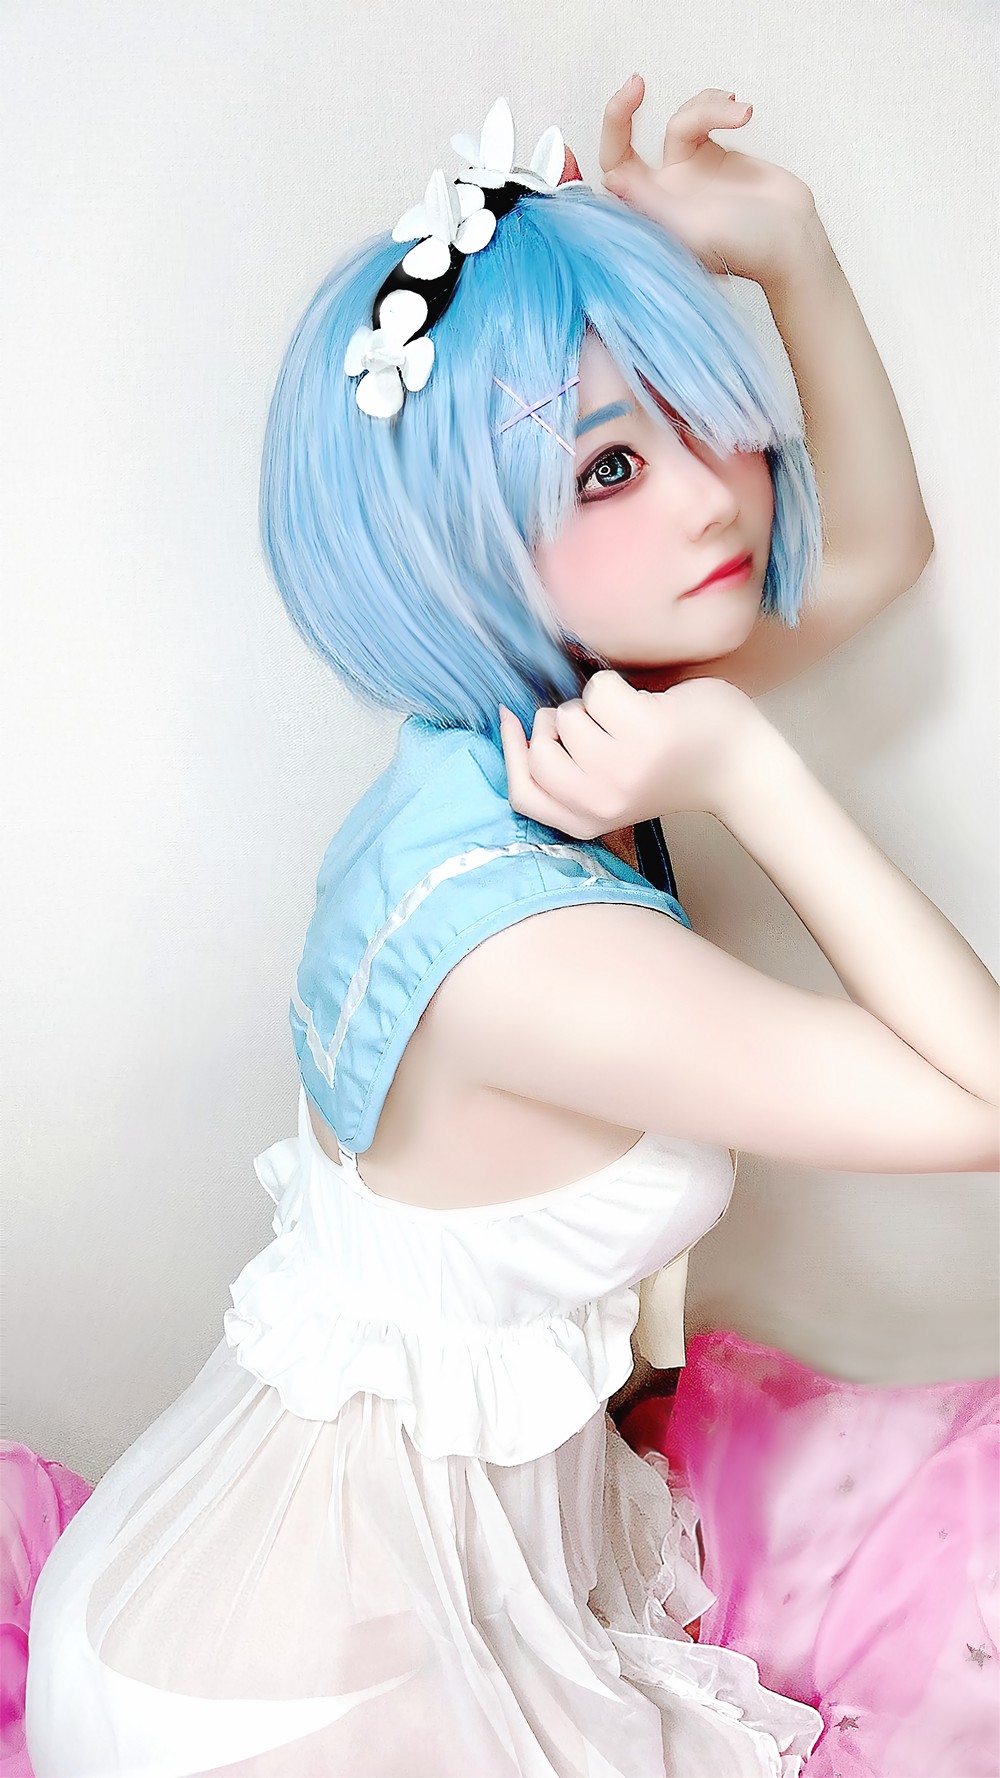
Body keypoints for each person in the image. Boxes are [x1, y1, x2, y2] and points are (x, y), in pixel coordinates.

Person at [24, 78, 996, 1778]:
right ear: (456, 544)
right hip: (278, 1701)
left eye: (702, 412)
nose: (717, 498)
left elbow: (881, 546)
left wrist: (793, 252)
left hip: (353, 1573)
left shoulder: (539, 726)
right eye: (609, 463)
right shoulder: (528, 950)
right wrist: (751, 766)